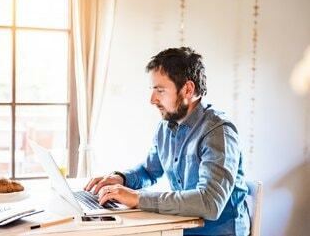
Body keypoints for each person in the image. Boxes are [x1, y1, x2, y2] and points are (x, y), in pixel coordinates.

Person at [84, 47, 250, 236]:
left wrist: (138, 198)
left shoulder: (218, 131)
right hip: (181, 228)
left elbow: (209, 203)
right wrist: (120, 178)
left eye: (160, 91)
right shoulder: (167, 126)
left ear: (188, 89)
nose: (152, 99)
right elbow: (149, 171)